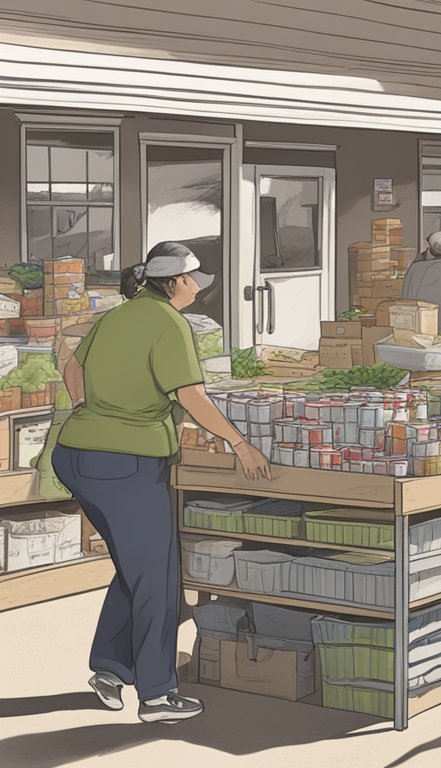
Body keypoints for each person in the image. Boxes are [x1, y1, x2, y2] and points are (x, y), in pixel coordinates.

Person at [55, 242, 271, 723]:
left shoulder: (119, 315)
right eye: (194, 280)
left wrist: (84, 410)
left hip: (76, 455)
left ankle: (110, 668)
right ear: (174, 283)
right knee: (158, 576)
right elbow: (191, 395)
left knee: (136, 565)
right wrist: (240, 443)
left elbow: (73, 367)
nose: (198, 288)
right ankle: (156, 693)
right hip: (127, 462)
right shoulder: (170, 324)